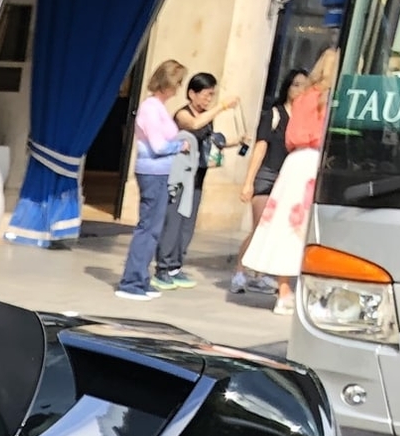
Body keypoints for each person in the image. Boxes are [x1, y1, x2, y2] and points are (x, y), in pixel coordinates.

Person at [241, 50, 337, 317]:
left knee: (287, 226)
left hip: (294, 162)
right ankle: (309, 294)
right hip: (315, 163)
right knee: (312, 228)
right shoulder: (331, 99)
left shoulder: (304, 97)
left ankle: (284, 291)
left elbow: (291, 135)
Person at [115, 61, 193, 301]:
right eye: (177, 83)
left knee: (153, 229)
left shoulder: (157, 107)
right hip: (152, 172)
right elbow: (158, 146)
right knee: (148, 228)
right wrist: (180, 145)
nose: (179, 88)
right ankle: (131, 282)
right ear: (168, 83)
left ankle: (141, 277)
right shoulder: (150, 108)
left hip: (160, 173)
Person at [152, 72, 237, 289]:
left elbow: (211, 139)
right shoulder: (183, 114)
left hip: (197, 177)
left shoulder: (207, 116)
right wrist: (223, 106)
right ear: (192, 93)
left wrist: (236, 142)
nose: (209, 100)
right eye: (206, 95)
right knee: (173, 222)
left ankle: (175, 266)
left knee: (187, 225)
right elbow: (196, 124)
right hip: (180, 179)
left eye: (212, 96)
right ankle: (162, 267)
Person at [230, 67, 309, 297]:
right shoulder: (274, 114)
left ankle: (263, 274)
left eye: (303, 85)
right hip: (267, 176)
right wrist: (249, 182)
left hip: (290, 179)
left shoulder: (304, 119)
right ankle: (240, 271)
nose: (299, 89)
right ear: (287, 87)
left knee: (281, 231)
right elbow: (261, 147)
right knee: (259, 228)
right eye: (295, 84)